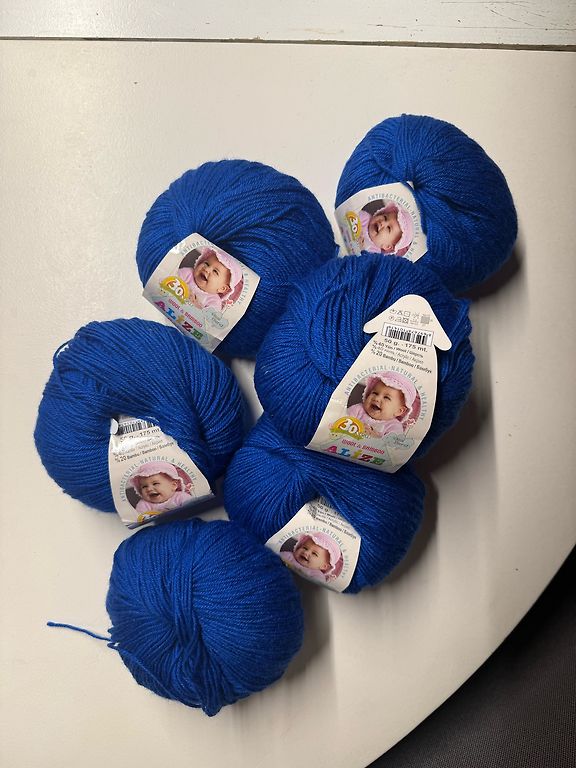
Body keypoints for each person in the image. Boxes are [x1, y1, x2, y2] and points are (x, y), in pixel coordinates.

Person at [347, 371, 417, 437]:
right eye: (375, 393)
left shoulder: (394, 427)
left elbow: (391, 444)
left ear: (399, 411)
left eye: (386, 397)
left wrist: (375, 438)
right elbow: (342, 419)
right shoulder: (357, 409)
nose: (377, 398)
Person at [177, 246, 243, 310]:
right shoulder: (188, 274)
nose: (206, 269)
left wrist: (196, 305)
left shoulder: (214, 301)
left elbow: (207, 316)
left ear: (222, 288)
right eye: (207, 264)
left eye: (215, 271)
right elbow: (172, 275)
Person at [128, 461, 194, 521]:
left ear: (173, 485)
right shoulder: (143, 504)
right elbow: (139, 520)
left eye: (155, 483)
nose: (149, 489)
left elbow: (192, 509)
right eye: (144, 486)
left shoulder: (181, 497)